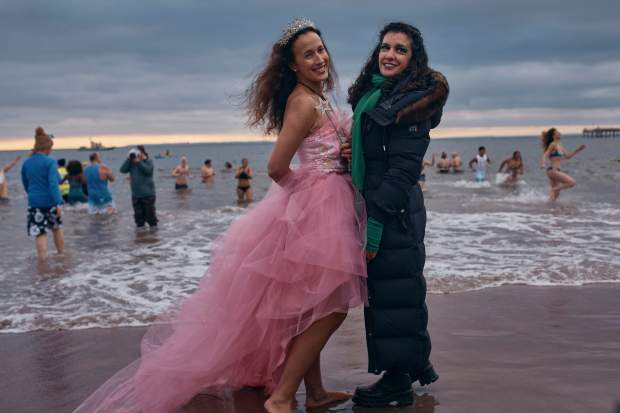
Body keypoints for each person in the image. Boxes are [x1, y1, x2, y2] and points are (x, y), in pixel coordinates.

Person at [74, 18, 365, 413]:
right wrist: (315, 193)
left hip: (323, 200)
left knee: (308, 306)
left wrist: (342, 156)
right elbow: (278, 168)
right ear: (293, 65)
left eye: (320, 49)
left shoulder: (317, 97)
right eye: (308, 54)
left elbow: (322, 146)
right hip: (318, 204)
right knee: (332, 307)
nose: (319, 58)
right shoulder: (302, 101)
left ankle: (313, 392)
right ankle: (281, 397)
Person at [345, 21, 448, 407]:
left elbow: (403, 169)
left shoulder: (413, 104)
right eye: (385, 47)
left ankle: (398, 382)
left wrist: (374, 222)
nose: (390, 55)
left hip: (393, 210)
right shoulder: (377, 95)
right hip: (383, 204)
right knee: (391, 293)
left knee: (395, 294)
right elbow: (378, 152)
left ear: (413, 58)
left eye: (400, 50)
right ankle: (405, 370)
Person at [20, 127, 64, 259]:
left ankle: (42, 261)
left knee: (40, 233)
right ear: (47, 147)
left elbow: (25, 182)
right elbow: (54, 183)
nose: (52, 150)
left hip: (34, 201)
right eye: (51, 147)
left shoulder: (26, 162)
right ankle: (61, 256)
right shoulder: (50, 161)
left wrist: (32, 194)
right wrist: (58, 202)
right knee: (57, 228)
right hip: (50, 201)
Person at [540, 128, 585, 201]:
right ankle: (553, 190)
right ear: (553, 136)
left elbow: (567, 156)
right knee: (572, 182)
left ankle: (549, 209)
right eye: (557, 132)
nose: (559, 133)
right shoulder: (553, 144)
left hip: (556, 170)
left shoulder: (560, 145)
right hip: (553, 170)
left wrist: (578, 150)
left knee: (556, 196)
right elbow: (545, 154)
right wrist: (542, 163)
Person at [120, 145, 158, 228]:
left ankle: (154, 238)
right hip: (136, 195)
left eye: (137, 153)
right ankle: (141, 238)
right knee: (139, 220)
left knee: (151, 219)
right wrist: (128, 158)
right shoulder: (131, 163)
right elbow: (122, 170)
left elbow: (148, 171)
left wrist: (139, 162)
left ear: (142, 153)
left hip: (148, 194)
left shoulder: (148, 161)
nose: (136, 155)